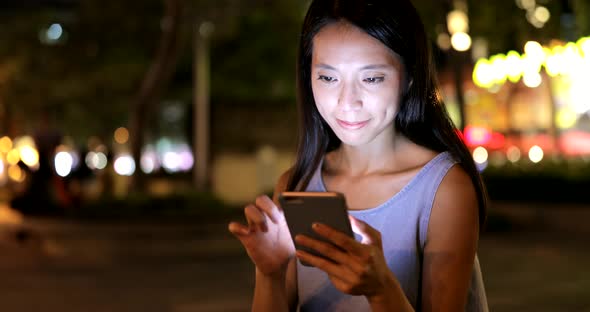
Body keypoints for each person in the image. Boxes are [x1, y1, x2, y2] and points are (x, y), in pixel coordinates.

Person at [228, 0, 488, 311]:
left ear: (409, 77)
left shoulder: (444, 189)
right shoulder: (296, 184)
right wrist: (269, 273)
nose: (347, 101)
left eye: (371, 78)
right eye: (328, 78)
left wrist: (381, 289)